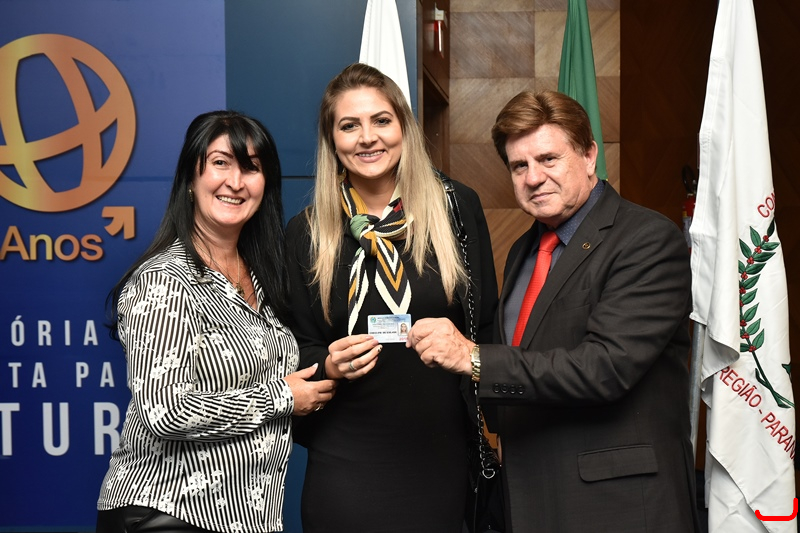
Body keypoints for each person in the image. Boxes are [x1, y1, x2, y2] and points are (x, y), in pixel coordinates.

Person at [407, 90, 701, 532]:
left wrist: (473, 358)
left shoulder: (647, 240)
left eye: (548, 159)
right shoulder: (523, 251)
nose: (533, 177)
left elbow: (604, 368)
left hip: (621, 509)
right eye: (519, 166)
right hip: (532, 502)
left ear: (589, 156)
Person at [95, 110, 337, 533]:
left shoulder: (263, 278)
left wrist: (328, 369)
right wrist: (282, 396)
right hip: (168, 516)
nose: (235, 182)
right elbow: (164, 411)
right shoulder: (164, 280)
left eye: (251, 167)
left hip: (248, 518)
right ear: (191, 178)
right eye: (221, 163)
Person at [285, 63, 498, 532]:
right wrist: (329, 365)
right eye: (349, 126)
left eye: (381, 120)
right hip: (345, 456)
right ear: (332, 140)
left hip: (438, 451)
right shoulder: (306, 233)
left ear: (403, 127)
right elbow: (293, 346)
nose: (367, 138)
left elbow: (486, 325)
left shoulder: (455, 208)